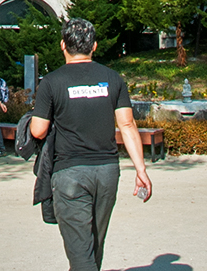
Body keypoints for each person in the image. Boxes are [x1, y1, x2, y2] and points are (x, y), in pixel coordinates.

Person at [26, 19, 152, 271]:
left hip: (70, 173)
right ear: (94, 46)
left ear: (63, 45)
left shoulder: (51, 82)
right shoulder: (112, 78)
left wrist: (30, 122)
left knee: (81, 251)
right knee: (94, 244)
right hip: (107, 172)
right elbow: (127, 125)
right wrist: (141, 170)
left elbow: (38, 130)